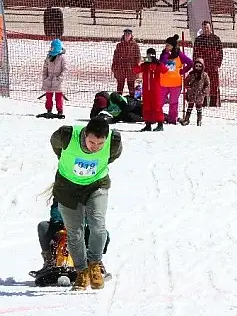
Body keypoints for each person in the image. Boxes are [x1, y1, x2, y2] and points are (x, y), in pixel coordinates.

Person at [50, 117, 122, 291]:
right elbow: (55, 145)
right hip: (67, 187)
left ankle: (95, 264)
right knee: (75, 232)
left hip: (96, 185)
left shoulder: (113, 141)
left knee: (98, 225)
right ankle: (82, 272)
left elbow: (113, 156)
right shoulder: (67, 135)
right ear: (85, 134)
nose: (95, 147)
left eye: (99, 143)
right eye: (91, 142)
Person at [32, 197, 111, 286]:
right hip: (63, 224)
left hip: (83, 226)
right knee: (43, 226)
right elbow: (56, 208)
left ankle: (94, 262)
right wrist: (59, 220)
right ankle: (50, 261)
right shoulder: (63, 189)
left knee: (98, 232)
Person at [133, 48, 168, 132]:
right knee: (146, 107)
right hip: (146, 90)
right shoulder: (145, 65)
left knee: (157, 106)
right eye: (148, 55)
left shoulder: (157, 65)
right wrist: (138, 62)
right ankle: (148, 124)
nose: (149, 57)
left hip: (155, 90)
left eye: (151, 56)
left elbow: (165, 70)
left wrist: (159, 63)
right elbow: (135, 70)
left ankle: (160, 124)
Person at [179, 58, 210, 126]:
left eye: (200, 66)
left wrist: (204, 91)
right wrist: (188, 87)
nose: (198, 67)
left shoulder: (204, 75)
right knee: (190, 107)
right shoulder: (191, 74)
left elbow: (207, 84)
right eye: (196, 66)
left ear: (202, 66)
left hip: (200, 94)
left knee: (199, 108)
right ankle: (187, 119)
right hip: (191, 94)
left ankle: (199, 120)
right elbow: (186, 81)